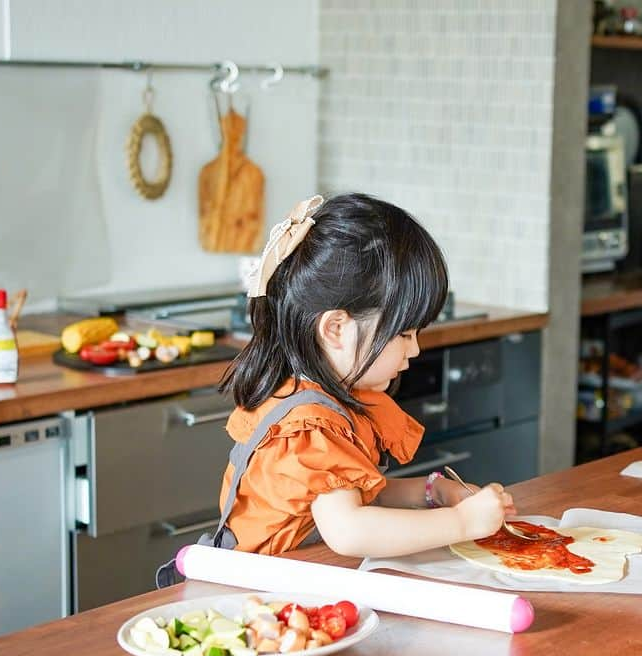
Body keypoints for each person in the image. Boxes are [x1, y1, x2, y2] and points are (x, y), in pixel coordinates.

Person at [216, 192, 516, 557]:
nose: (415, 349)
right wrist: (463, 523)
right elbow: (351, 530)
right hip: (266, 592)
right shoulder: (311, 426)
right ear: (336, 329)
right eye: (404, 334)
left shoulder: (321, 397)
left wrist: (432, 491)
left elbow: (351, 491)